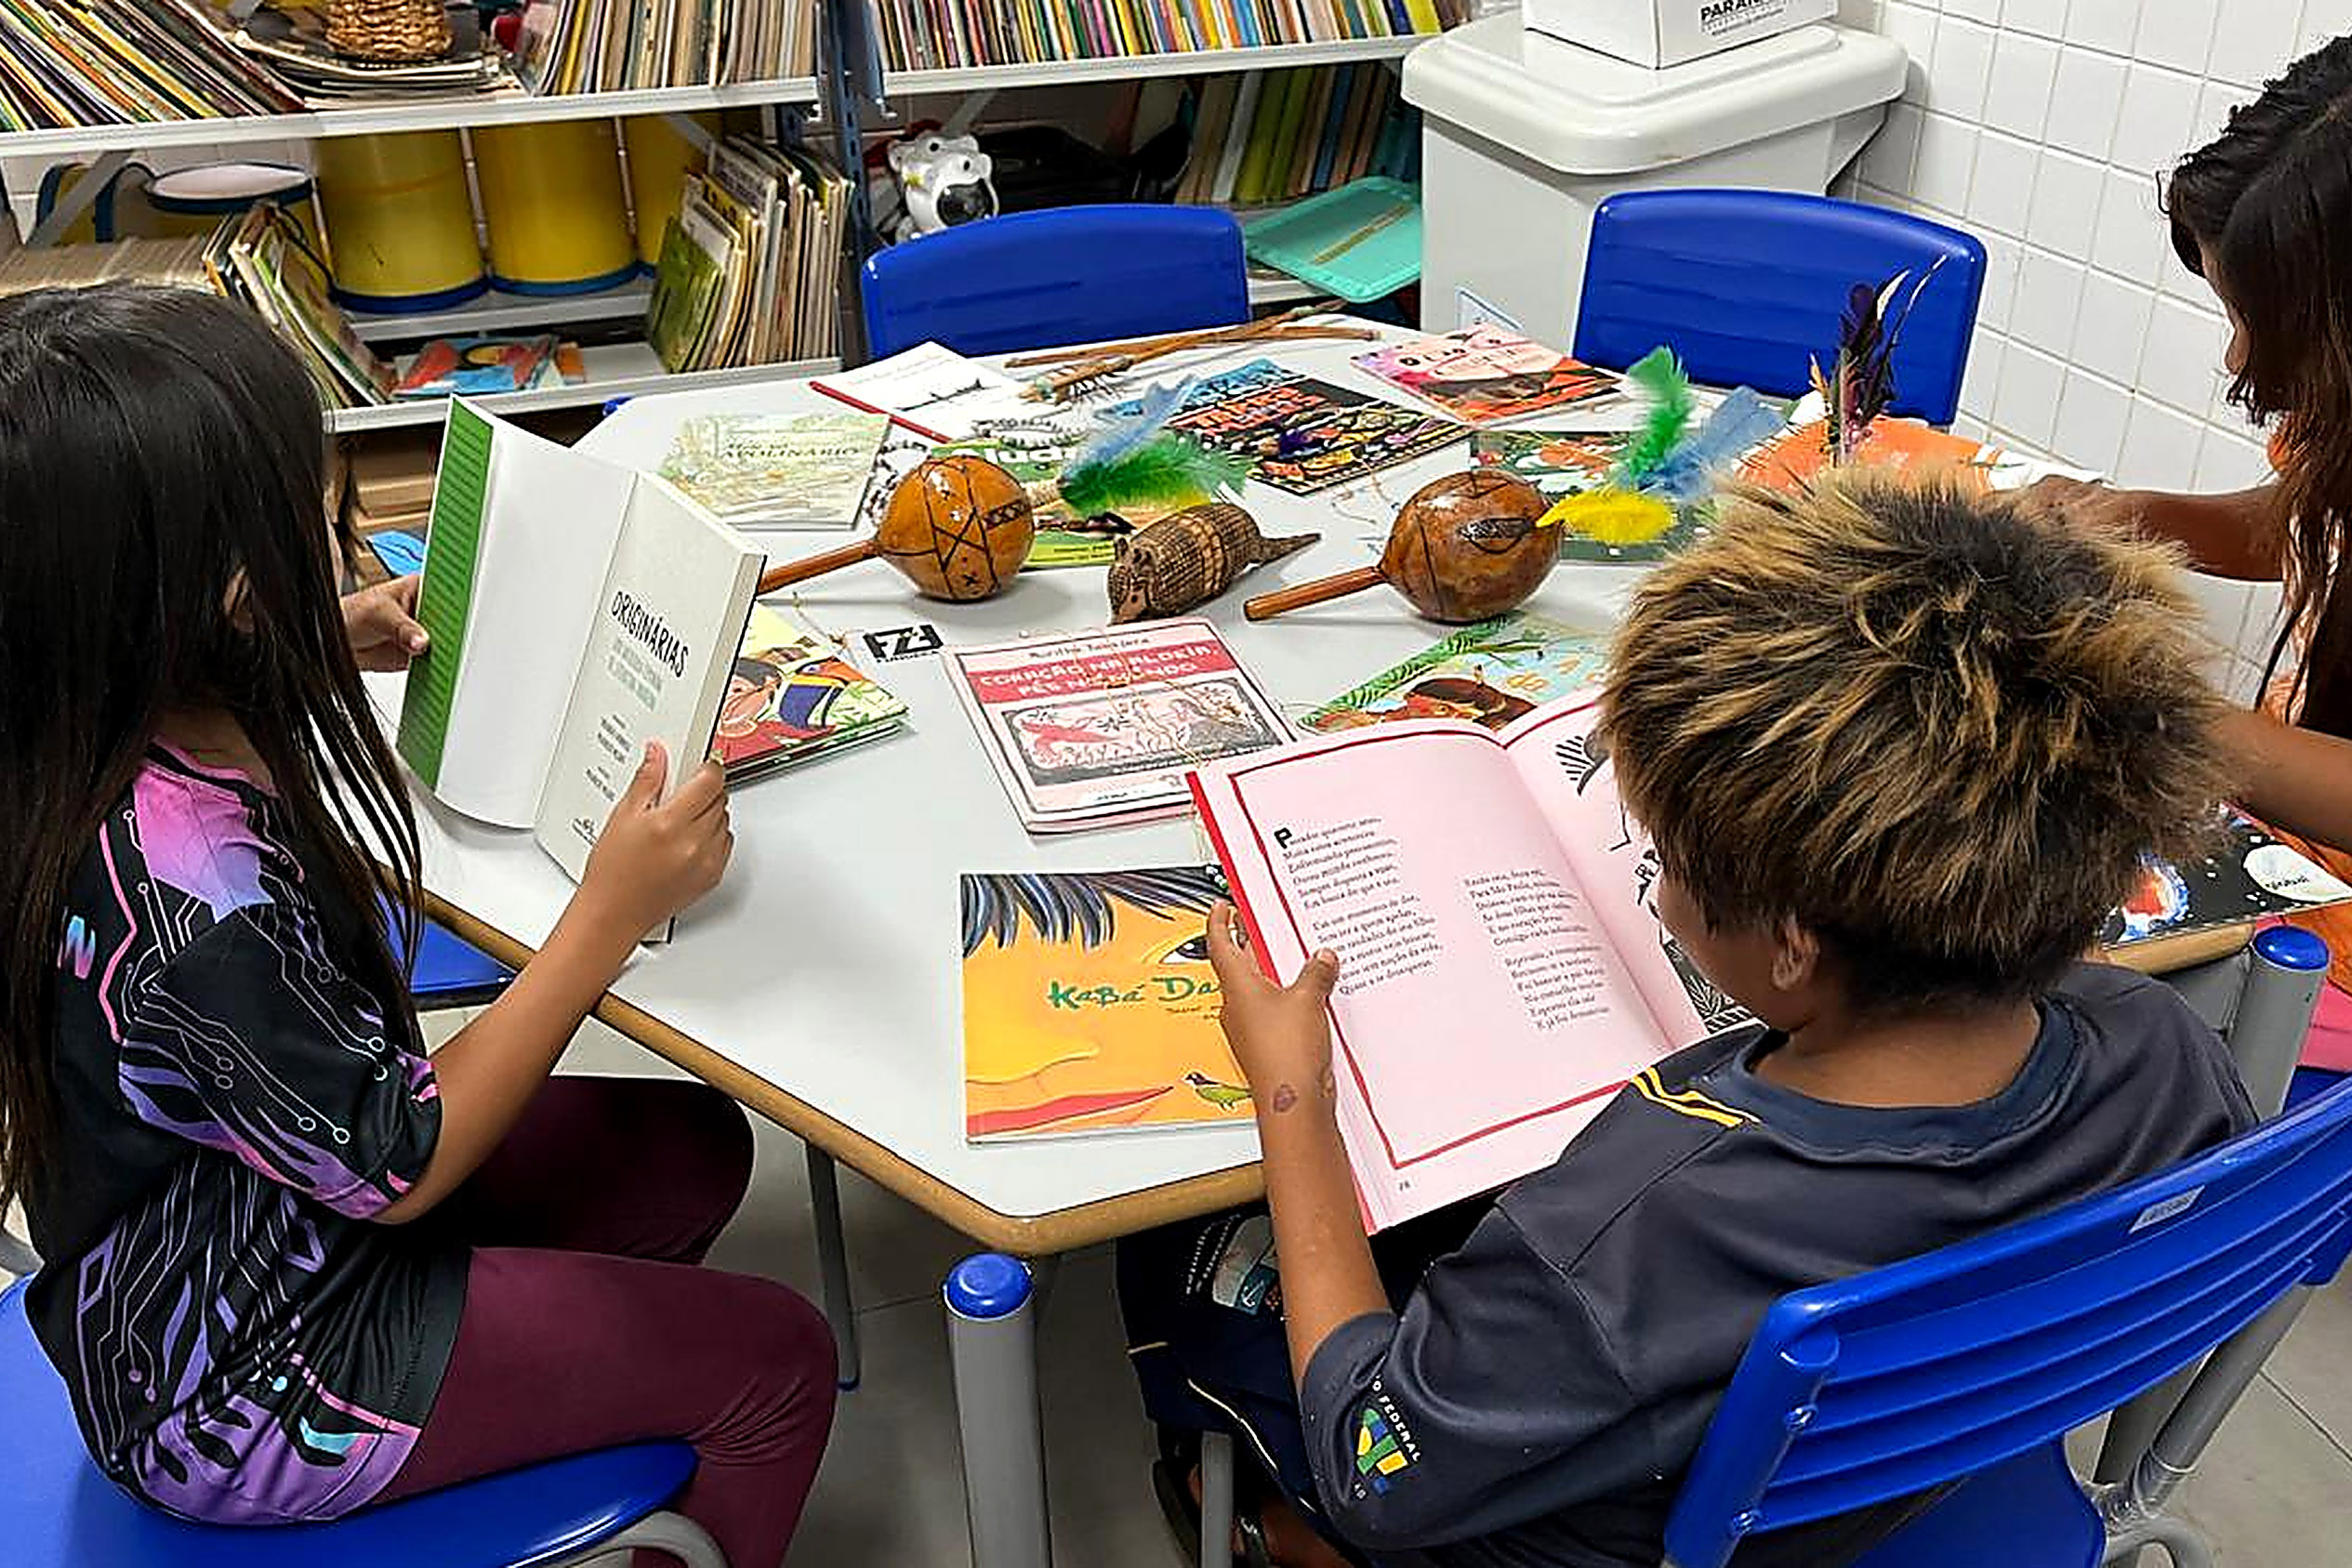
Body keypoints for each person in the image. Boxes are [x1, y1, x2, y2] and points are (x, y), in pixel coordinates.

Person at [1118, 474, 2256, 1568]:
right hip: (1906, 1468)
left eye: (1661, 863)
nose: (1652, 885)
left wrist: (1291, 1097)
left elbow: (1379, 1460)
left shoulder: (1636, 1224)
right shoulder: (2155, 1041)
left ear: (1793, 943)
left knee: (1171, 1256)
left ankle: (1283, 1529)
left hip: (1591, 1528)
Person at [0, 285, 834, 1565]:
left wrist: (323, 637)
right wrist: (605, 915)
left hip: (276, 1211)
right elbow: (398, 1160)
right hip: (240, 1381)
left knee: (691, 1150)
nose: (326, 548)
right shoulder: (186, 893)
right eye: (302, 534)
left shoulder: (83, 708)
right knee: (778, 1358)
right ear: (214, 591)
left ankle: (576, 1433)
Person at [2023, 34, 2352, 1046]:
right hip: (2280, 863)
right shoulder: (2346, 417)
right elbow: (2297, 520)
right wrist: (2123, 514)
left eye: (2263, 324)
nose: (2238, 356)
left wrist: (2151, 713)